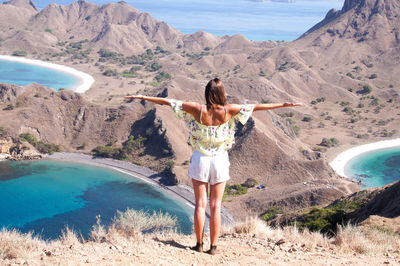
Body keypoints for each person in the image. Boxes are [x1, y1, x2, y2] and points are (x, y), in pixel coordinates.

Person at [125, 78, 301, 255]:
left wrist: (142, 96)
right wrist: (284, 104)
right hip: (220, 160)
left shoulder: (197, 109)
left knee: (200, 204)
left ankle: (199, 243)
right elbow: (257, 106)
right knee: (216, 205)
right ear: (222, 93)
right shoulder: (229, 110)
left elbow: (167, 102)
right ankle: (214, 247)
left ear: (207, 93)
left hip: (200, 159)